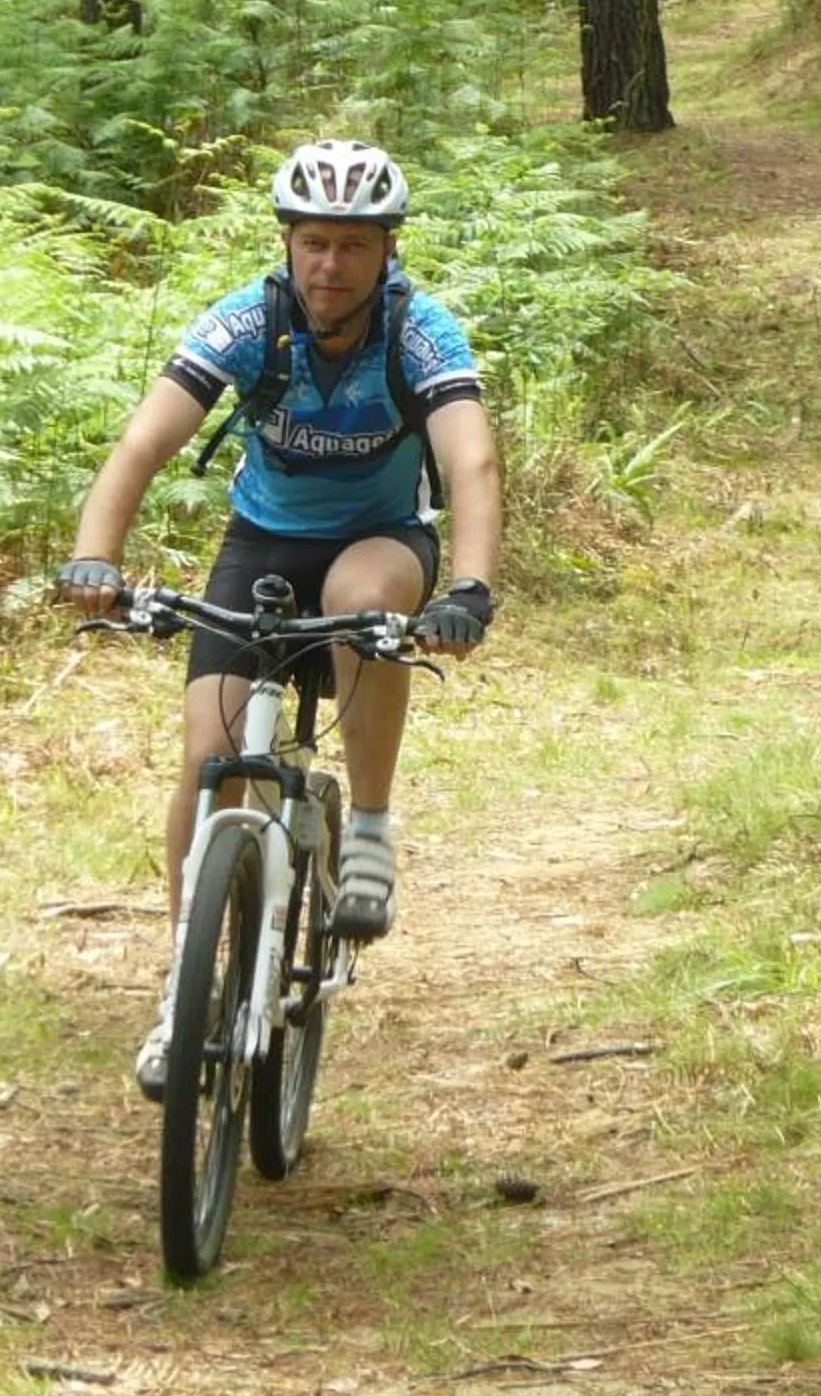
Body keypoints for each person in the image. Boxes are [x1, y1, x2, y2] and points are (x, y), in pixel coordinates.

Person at [56, 139, 503, 1098]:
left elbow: (470, 463)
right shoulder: (247, 322)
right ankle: (185, 995)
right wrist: (97, 554)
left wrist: (468, 588)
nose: (330, 265)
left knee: (360, 601)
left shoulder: (419, 334)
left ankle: (371, 827)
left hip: (380, 540)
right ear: (287, 243)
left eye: (351, 244)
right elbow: (145, 440)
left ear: (386, 251)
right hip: (260, 547)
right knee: (209, 761)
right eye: (313, 243)